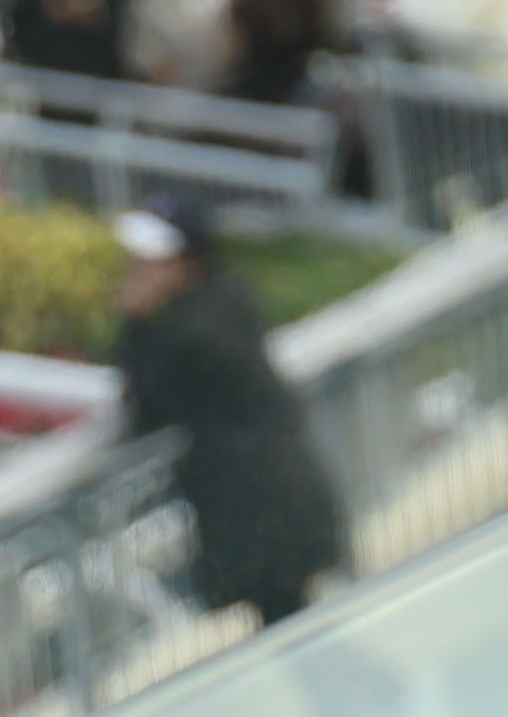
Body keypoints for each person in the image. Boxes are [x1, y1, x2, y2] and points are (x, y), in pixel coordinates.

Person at [113, 194, 347, 631]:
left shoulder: (184, 331)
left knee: (289, 625)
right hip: (278, 491)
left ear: (187, 261)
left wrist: (136, 323)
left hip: (253, 507)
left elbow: (146, 409)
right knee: (293, 620)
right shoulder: (227, 298)